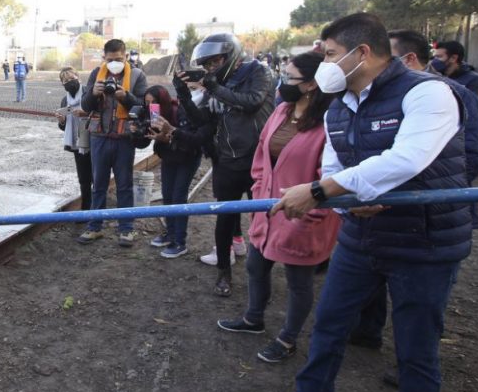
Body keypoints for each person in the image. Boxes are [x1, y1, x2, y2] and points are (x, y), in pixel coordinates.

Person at [258, 13, 470, 392]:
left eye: (331, 55)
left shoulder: (428, 94)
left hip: (423, 241)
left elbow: (407, 159)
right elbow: (336, 165)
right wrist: (346, 198)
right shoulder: (339, 107)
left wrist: (321, 192)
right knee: (330, 322)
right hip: (361, 234)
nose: (325, 65)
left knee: (415, 349)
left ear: (363, 53)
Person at [349, 30, 478, 355]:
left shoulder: (451, 94)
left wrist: (407, 186)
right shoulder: (373, 94)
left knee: (419, 305)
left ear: (408, 58)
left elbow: (471, 158)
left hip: (430, 220)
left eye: (384, 55)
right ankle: (368, 330)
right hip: (378, 211)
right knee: (372, 278)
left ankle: (411, 362)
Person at [216, 53, 340, 362]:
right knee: (256, 266)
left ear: (311, 85)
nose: (281, 82)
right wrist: (259, 188)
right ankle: (253, 318)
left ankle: (287, 339)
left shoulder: (329, 122)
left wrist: (311, 209)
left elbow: (332, 174)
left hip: (303, 214)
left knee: (298, 280)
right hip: (269, 208)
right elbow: (262, 152)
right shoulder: (281, 110)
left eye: (289, 77)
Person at [178, 33, 273, 296]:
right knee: (224, 219)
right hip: (227, 160)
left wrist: (214, 88)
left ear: (230, 56)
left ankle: (262, 276)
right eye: (207, 65)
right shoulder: (217, 83)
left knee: (262, 219)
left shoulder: (258, 72)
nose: (210, 68)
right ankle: (223, 272)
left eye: (214, 62)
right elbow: (203, 120)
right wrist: (183, 95)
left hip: (257, 160)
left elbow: (252, 102)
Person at [78, 39, 148, 247]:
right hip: (99, 137)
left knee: (124, 185)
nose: (114, 63)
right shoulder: (96, 74)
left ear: (125, 56)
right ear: (104, 58)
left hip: (124, 139)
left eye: (118, 59)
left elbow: (143, 106)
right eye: (109, 60)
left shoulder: (137, 75)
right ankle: (94, 226)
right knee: (98, 184)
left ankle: (126, 228)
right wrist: (93, 93)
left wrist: (125, 97)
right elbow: (85, 106)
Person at [142, 82, 212, 258]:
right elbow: (145, 139)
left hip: (187, 158)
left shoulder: (179, 111)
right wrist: (139, 131)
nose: (150, 106)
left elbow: (191, 140)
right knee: (167, 194)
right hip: (169, 157)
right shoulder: (155, 115)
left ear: (163, 101)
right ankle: (170, 233)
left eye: (153, 102)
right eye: (147, 103)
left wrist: (168, 138)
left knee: (179, 196)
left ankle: (180, 241)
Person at [57, 67, 93, 212]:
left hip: (93, 139)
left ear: (79, 78)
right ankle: (85, 210)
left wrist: (85, 113)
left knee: (97, 177)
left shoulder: (88, 94)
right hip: (77, 142)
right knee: (83, 179)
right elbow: (63, 126)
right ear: (62, 84)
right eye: (66, 80)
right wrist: (62, 121)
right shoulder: (65, 100)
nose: (70, 82)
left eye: (72, 79)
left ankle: (97, 209)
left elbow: (99, 113)